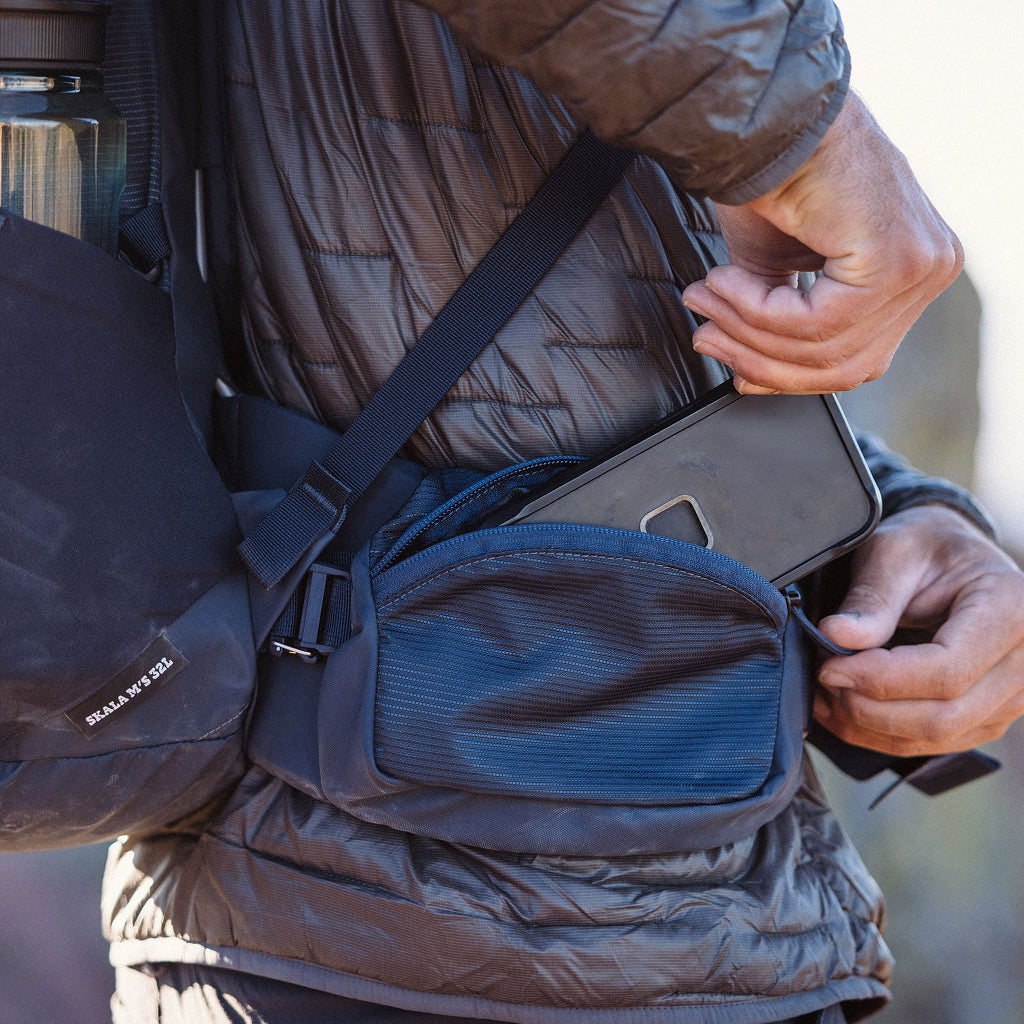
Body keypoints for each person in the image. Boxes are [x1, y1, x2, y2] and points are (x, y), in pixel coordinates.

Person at [106, 1, 1024, 1022]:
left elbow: (598, 309)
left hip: (708, 915)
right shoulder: (755, 83)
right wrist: (802, 125)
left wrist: (897, 515)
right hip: (378, 923)